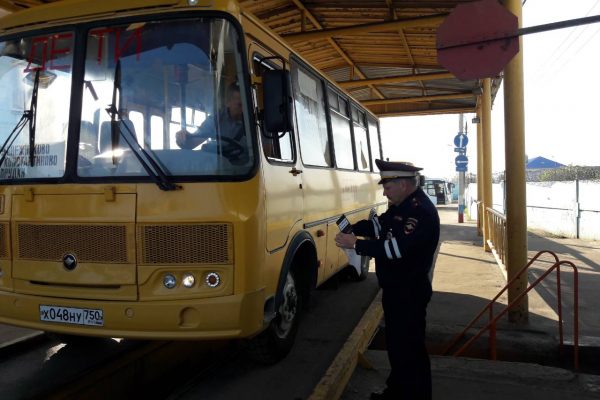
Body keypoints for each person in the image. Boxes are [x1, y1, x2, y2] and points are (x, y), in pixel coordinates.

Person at [335, 159, 440, 400]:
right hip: (396, 290)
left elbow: (396, 248)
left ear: (403, 184)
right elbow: (380, 225)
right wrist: (354, 228)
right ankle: (397, 392)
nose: (384, 191)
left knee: (410, 350)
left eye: (388, 186)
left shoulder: (419, 211)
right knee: (398, 347)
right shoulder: (401, 206)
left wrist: (358, 245)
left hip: (409, 291)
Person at [175, 82, 246, 161]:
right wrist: (182, 139)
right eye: (240, 105)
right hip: (219, 166)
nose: (244, 110)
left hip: (246, 168)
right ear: (228, 102)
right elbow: (192, 143)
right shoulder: (216, 119)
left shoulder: (253, 122)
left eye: (246, 105)